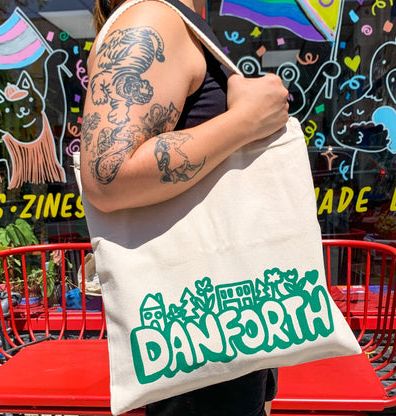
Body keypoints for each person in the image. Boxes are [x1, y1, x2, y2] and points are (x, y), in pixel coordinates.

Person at [81, 0, 289, 414]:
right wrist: (246, 120)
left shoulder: (176, 21)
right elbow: (108, 174)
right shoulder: (152, 19)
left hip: (225, 322)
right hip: (198, 331)